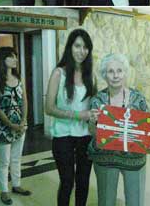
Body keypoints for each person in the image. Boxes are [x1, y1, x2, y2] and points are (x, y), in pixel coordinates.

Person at [87, 54, 150, 206]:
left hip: (134, 158)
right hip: (105, 158)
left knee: (135, 201)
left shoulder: (138, 98)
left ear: (125, 73)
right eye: (110, 71)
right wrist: (93, 123)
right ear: (104, 75)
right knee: (106, 201)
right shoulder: (97, 100)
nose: (115, 76)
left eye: (119, 71)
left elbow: (146, 128)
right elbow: (92, 132)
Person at [45, 29, 99, 206]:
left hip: (85, 137)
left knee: (83, 183)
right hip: (63, 136)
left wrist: (94, 116)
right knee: (67, 182)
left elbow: (94, 106)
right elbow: (49, 108)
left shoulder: (91, 75)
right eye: (77, 46)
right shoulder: (58, 74)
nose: (81, 51)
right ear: (70, 47)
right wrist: (78, 115)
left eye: (85, 47)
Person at [0, 47, 31, 205]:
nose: (15, 60)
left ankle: (16, 185)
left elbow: (24, 101)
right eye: (11, 57)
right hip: (3, 127)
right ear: (3, 60)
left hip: (20, 126)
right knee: (4, 161)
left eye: (15, 57)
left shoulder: (19, 80)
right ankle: (4, 191)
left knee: (16, 158)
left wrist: (23, 121)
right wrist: (10, 124)